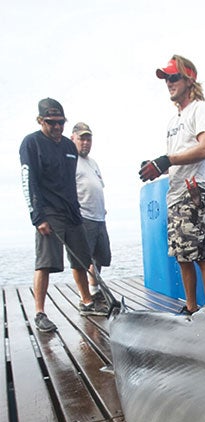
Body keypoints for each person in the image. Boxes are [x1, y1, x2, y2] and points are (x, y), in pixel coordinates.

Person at [19, 98, 107, 333]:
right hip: (48, 212)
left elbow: (71, 182)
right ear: (40, 121)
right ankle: (40, 312)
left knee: (82, 258)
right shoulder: (31, 143)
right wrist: (37, 217)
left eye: (61, 122)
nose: (57, 127)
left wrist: (77, 211)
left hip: (72, 212)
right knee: (46, 263)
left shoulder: (69, 147)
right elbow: (28, 181)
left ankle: (87, 302)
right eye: (51, 123)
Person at [139, 54, 205, 314]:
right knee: (183, 257)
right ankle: (192, 309)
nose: (168, 83)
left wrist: (166, 159)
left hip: (194, 194)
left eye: (173, 77)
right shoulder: (174, 121)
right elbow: (175, 159)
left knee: (202, 256)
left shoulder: (200, 109)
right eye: (166, 79)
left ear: (188, 79)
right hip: (175, 197)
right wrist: (157, 166)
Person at [71, 122, 111, 306]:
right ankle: (84, 297)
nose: (85, 142)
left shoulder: (92, 163)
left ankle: (94, 290)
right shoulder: (70, 160)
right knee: (81, 259)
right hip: (82, 217)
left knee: (101, 256)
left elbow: (98, 187)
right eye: (82, 138)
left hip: (99, 217)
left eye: (88, 138)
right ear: (73, 138)